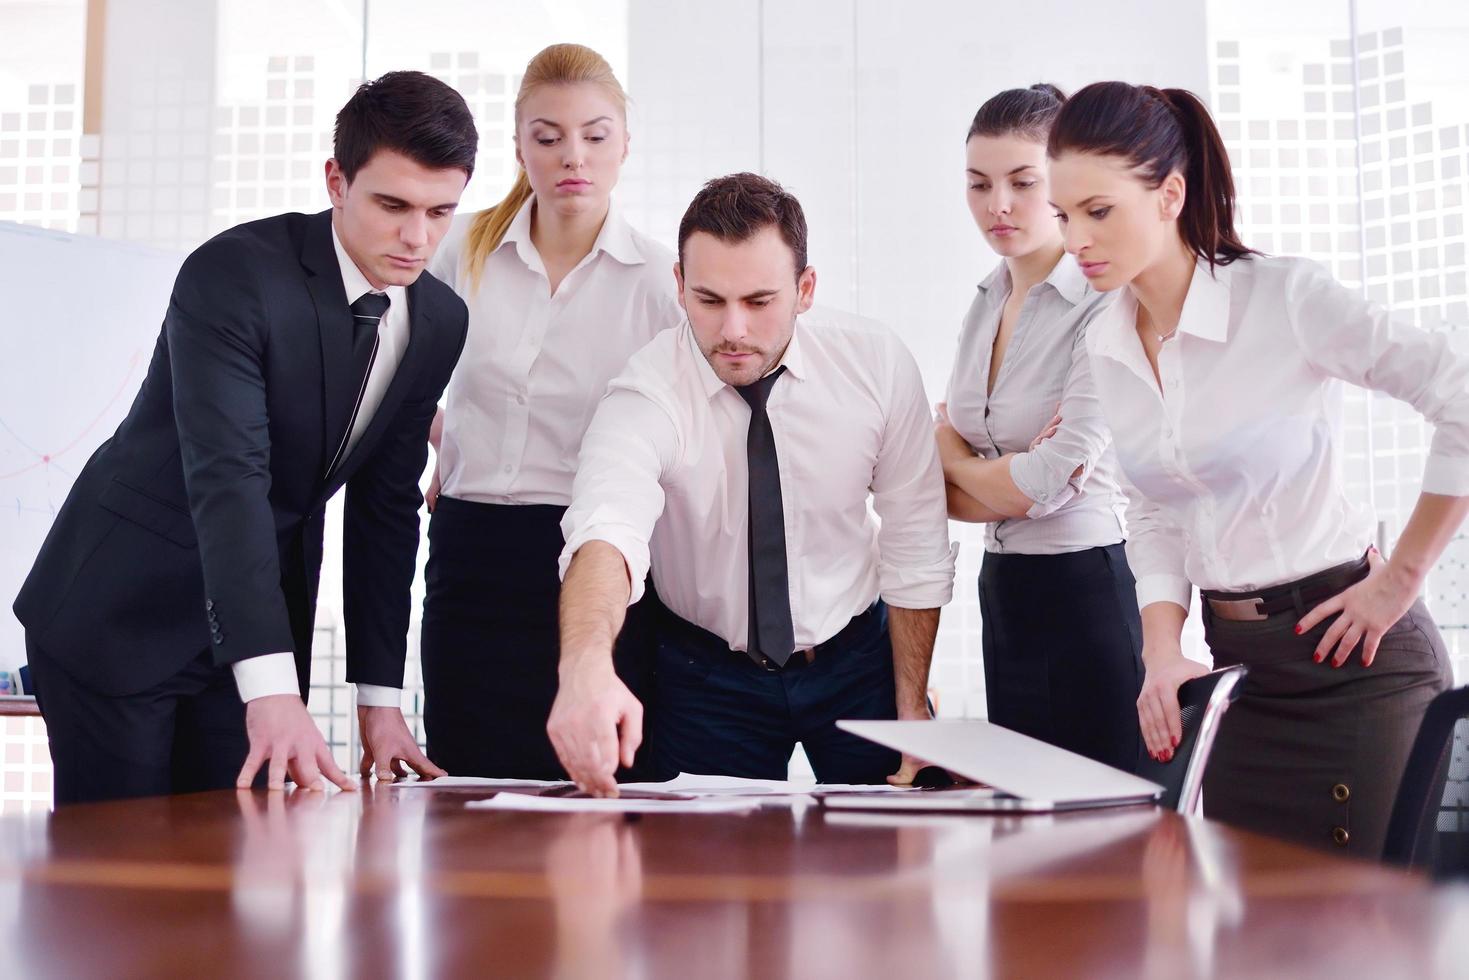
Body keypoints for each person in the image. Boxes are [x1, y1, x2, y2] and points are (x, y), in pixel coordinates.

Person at [13, 71, 478, 804]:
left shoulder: (439, 321)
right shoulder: (233, 276)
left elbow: (386, 510)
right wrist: (272, 687)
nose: (416, 237)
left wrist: (380, 699)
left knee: (235, 873)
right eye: (392, 205)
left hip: (254, 623)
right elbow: (229, 477)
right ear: (336, 180)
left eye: (440, 211)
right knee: (123, 886)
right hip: (121, 611)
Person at [1047, 80, 1469, 854]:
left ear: (1169, 193)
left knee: (1362, 939)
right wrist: (1163, 649)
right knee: (1254, 936)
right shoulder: (1103, 342)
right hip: (1240, 677)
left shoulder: (1283, 300)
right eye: (1063, 215)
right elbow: (1154, 508)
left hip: (1356, 664)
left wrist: (1400, 581)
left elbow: (1461, 402)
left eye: (1097, 210)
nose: (1075, 239)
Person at [547, 172, 957, 796]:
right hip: (706, 674)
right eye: (710, 301)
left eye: (760, 301)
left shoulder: (875, 364)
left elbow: (915, 540)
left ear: (806, 289)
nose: (733, 330)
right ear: (679, 287)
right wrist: (582, 668)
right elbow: (606, 532)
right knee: (707, 879)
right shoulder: (647, 390)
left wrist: (912, 712)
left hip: (856, 659)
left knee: (887, 872)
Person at [419, 44, 682, 779]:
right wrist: (450, 442)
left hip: (590, 560)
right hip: (469, 554)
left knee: (597, 794)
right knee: (467, 796)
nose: (574, 156)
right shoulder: (457, 251)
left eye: (596, 136)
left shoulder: (662, 282)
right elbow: (401, 385)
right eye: (547, 137)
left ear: (624, 144)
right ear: (518, 147)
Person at [935, 84, 1142, 772]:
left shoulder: (1105, 303)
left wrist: (961, 463)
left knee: (1105, 844)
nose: (998, 205)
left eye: (1022, 183)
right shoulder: (984, 300)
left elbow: (1046, 484)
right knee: (1022, 838)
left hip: (1086, 592)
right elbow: (934, 485)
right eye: (978, 184)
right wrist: (997, 474)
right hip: (1002, 592)